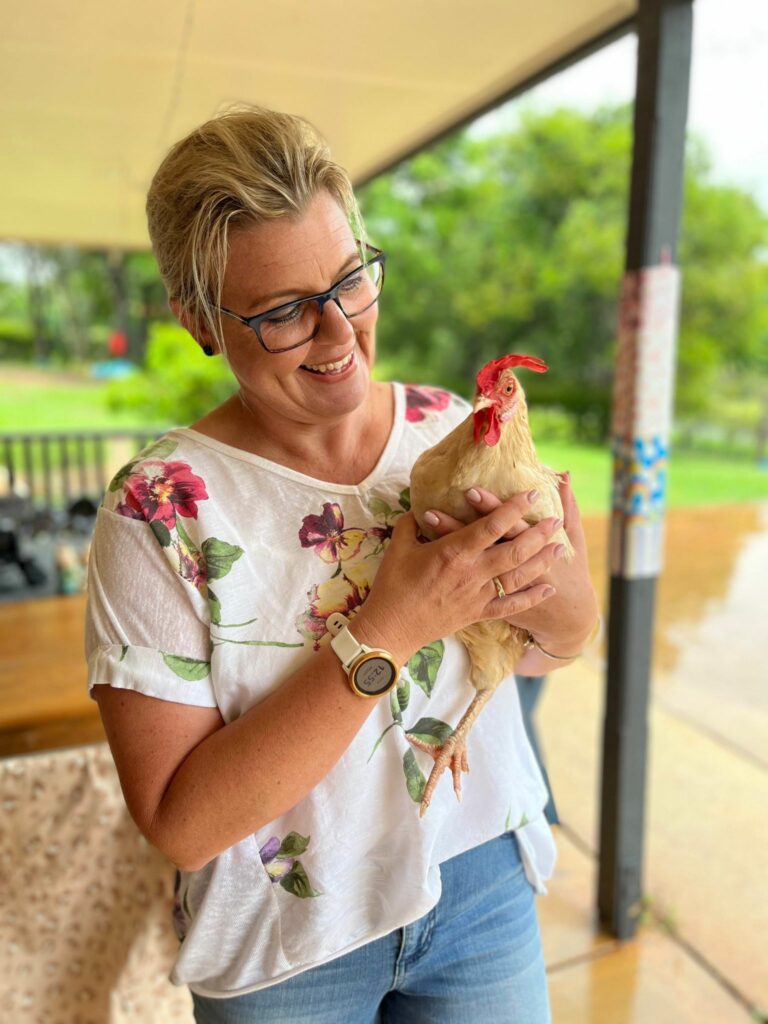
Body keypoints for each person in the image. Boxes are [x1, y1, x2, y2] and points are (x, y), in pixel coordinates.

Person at [85, 106, 599, 1023]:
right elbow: (181, 821)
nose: (338, 334)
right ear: (200, 320)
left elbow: (554, 646)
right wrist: (391, 626)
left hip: (479, 878)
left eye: (350, 279)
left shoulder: (454, 430)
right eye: (283, 312)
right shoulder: (157, 511)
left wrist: (557, 595)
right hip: (288, 939)